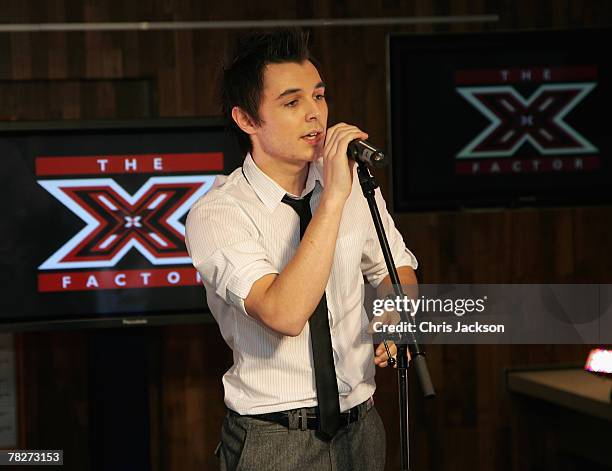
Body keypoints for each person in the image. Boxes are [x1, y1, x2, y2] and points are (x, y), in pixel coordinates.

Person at [185, 28, 418, 471]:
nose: (315, 115)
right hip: (275, 438)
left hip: (363, 426)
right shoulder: (218, 213)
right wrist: (331, 199)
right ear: (247, 120)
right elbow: (284, 313)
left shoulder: (351, 189)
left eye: (319, 96)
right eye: (292, 103)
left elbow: (397, 269)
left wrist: (393, 319)